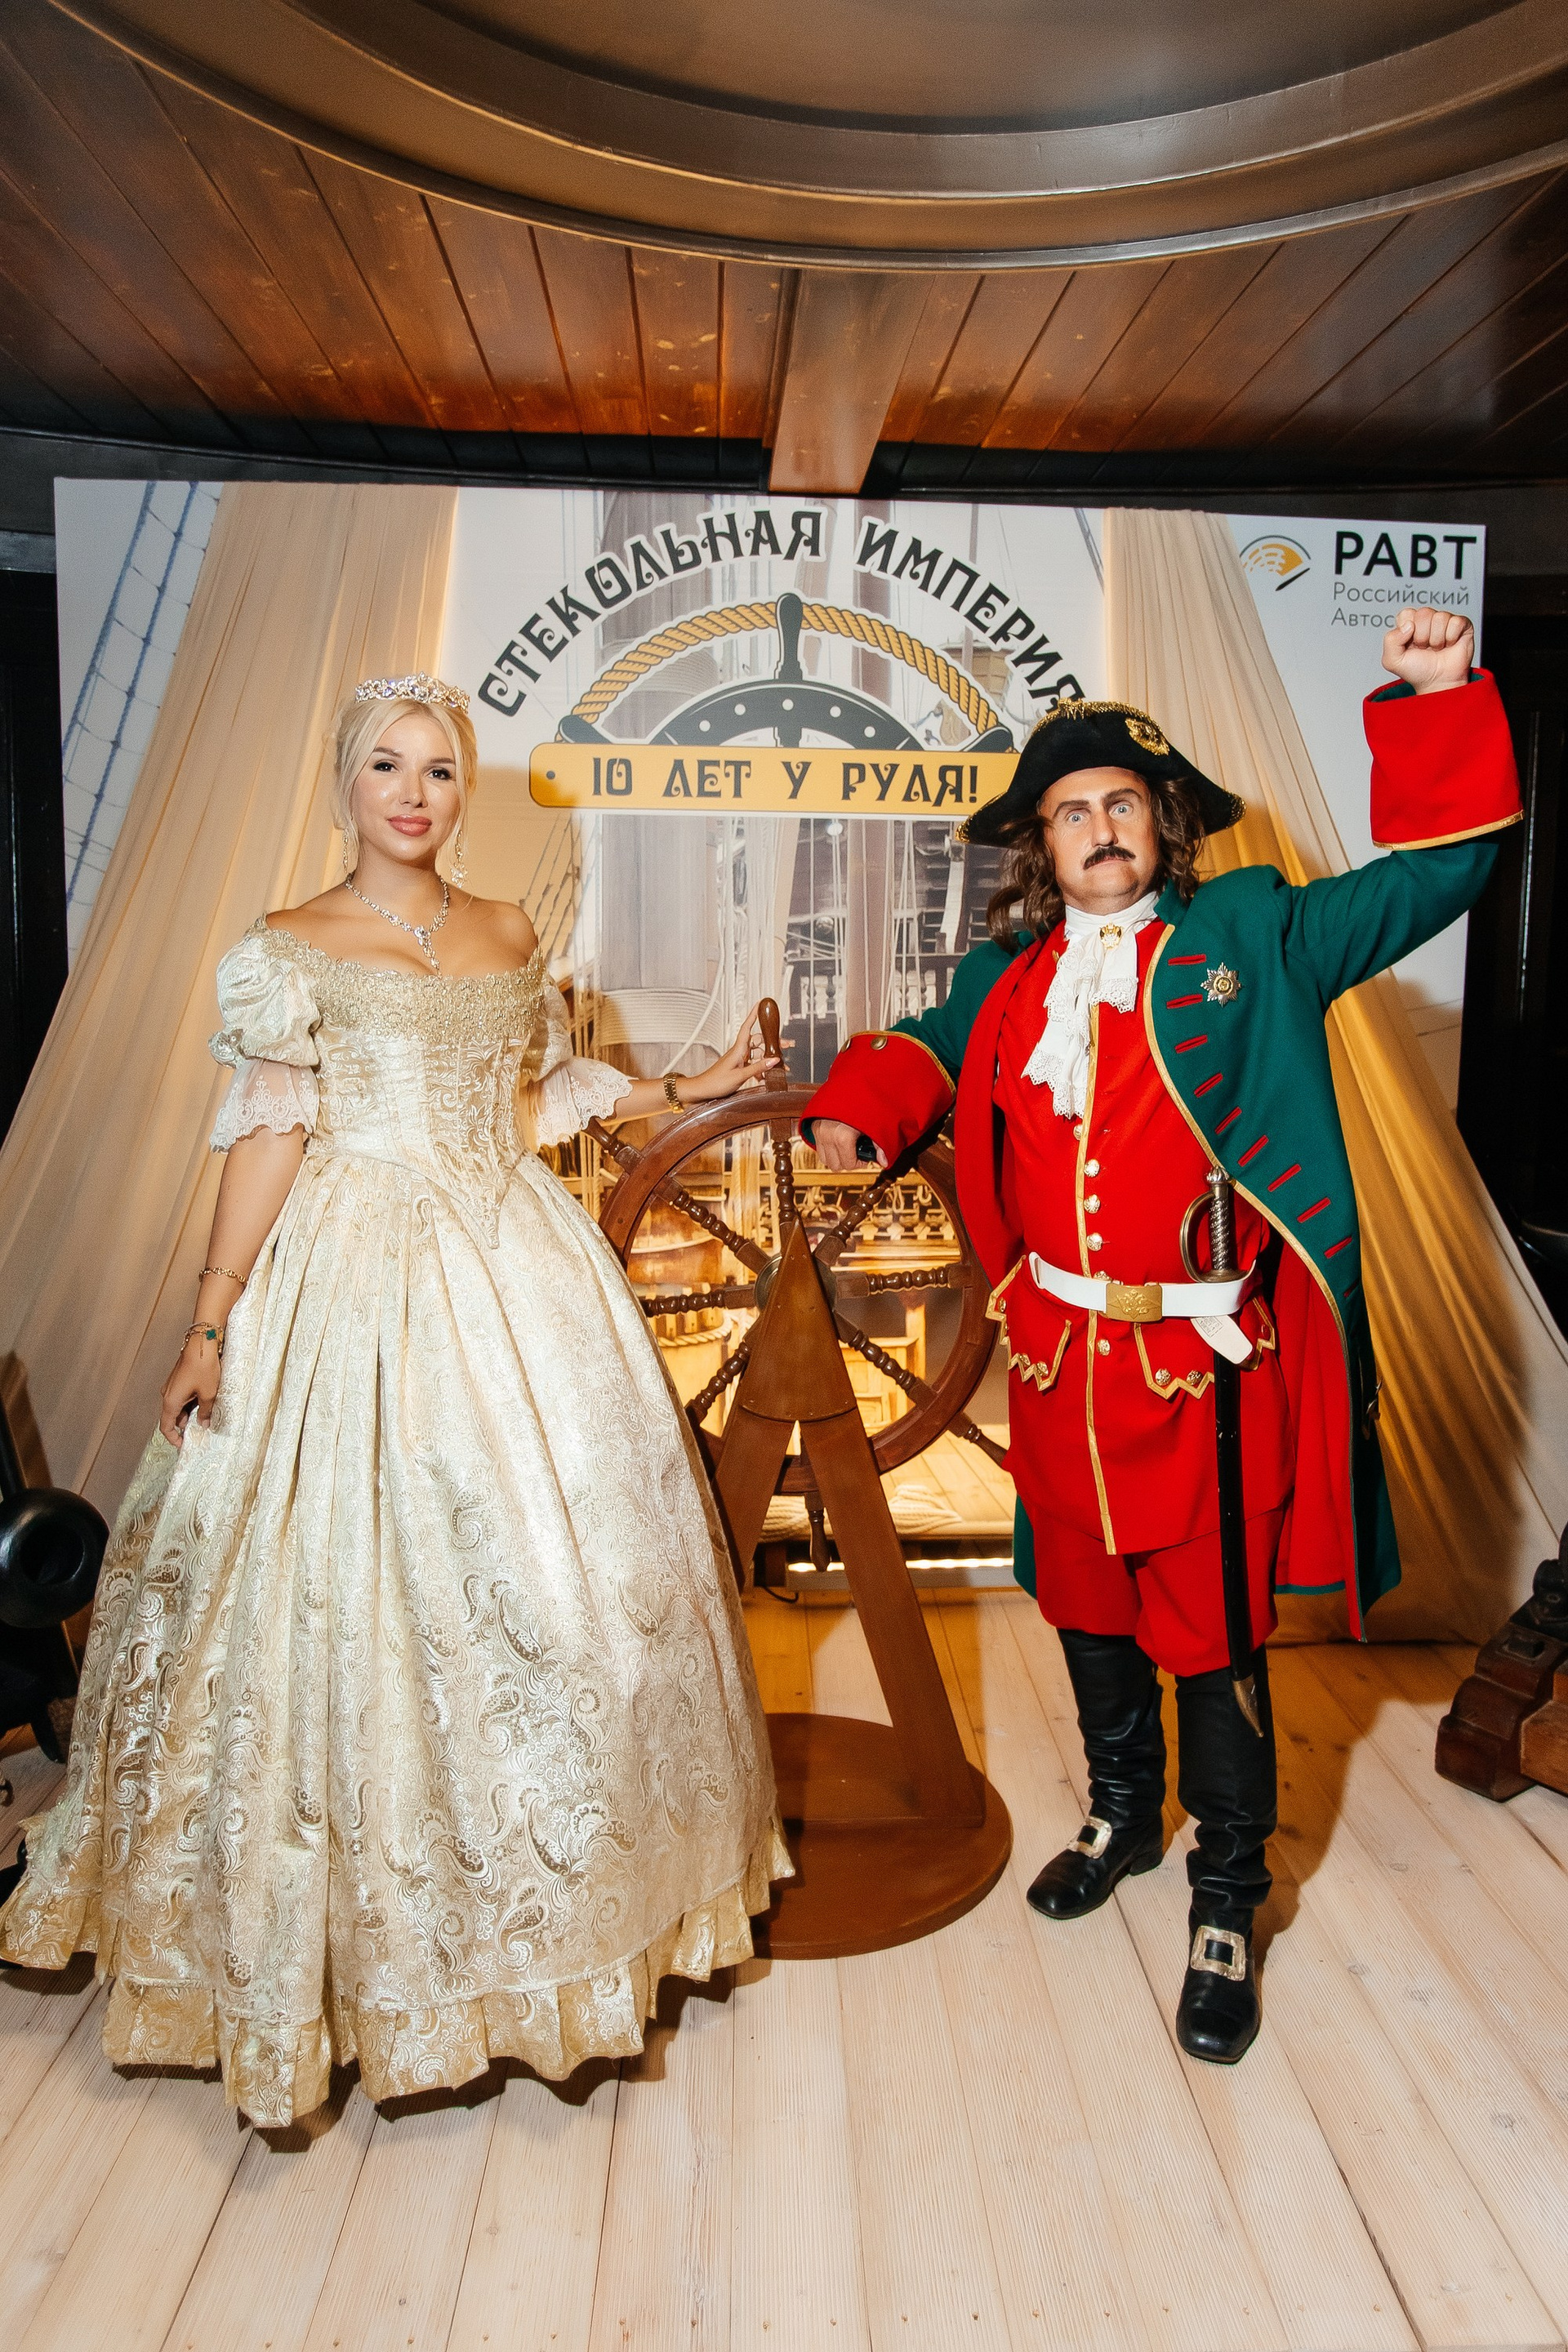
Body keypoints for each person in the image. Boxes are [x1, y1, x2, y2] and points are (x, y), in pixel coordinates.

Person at [0, 672, 789, 2125]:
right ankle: (341, 1957)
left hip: (516, 1265)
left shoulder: (508, 932)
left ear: (460, 788)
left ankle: (561, 1926)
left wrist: (687, 1091)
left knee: (565, 1585)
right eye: (386, 766)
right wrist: (211, 1322)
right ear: (346, 784)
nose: (413, 793)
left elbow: (533, 1102)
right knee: (334, 1597)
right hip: (351, 1272)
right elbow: (267, 1136)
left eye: (436, 769)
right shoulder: (287, 948)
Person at [804, 608, 1520, 2063]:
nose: (1101, 829)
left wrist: (1440, 701)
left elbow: (1442, 871)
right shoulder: (1010, 980)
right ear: (1041, 844)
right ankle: (1126, 1815)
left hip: (1204, 1379)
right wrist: (854, 1106)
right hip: (1060, 1369)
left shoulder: (1257, 933)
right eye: (1072, 811)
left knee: (1214, 1632)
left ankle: (1228, 1893)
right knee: (1084, 1606)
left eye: (1123, 803)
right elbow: (925, 1049)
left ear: (1165, 821)